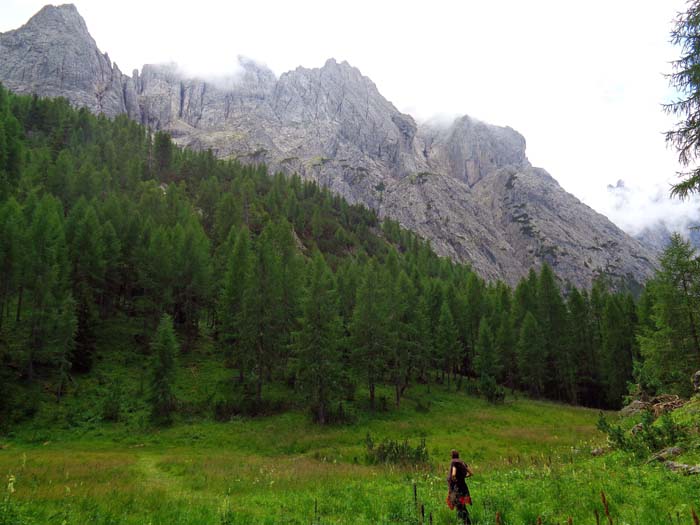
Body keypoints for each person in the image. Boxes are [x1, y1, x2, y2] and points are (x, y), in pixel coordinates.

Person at [446, 449, 473, 524]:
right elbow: (471, 473)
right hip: (463, 487)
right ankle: (465, 522)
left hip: (457, 488)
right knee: (462, 505)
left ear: (452, 456)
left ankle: (466, 522)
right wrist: (462, 477)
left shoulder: (454, 462)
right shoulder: (462, 462)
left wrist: (455, 480)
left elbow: (453, 474)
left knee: (459, 506)